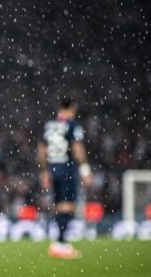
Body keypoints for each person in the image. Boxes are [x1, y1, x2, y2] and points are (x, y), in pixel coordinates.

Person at [37, 97, 93, 258]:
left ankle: (59, 242)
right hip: (66, 167)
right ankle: (60, 243)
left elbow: (41, 150)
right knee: (68, 205)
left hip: (52, 168)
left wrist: (44, 171)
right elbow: (77, 149)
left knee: (59, 204)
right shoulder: (72, 125)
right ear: (71, 108)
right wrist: (85, 169)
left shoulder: (49, 125)